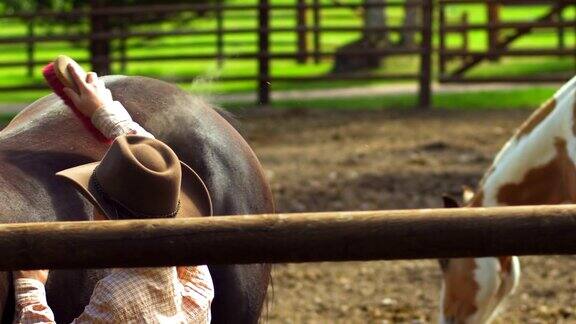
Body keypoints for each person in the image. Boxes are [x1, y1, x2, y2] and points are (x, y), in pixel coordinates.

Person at [13, 59, 214, 323]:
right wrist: (104, 111)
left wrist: (30, 292)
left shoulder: (116, 298)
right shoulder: (198, 284)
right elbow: (153, 165)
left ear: (107, 218)